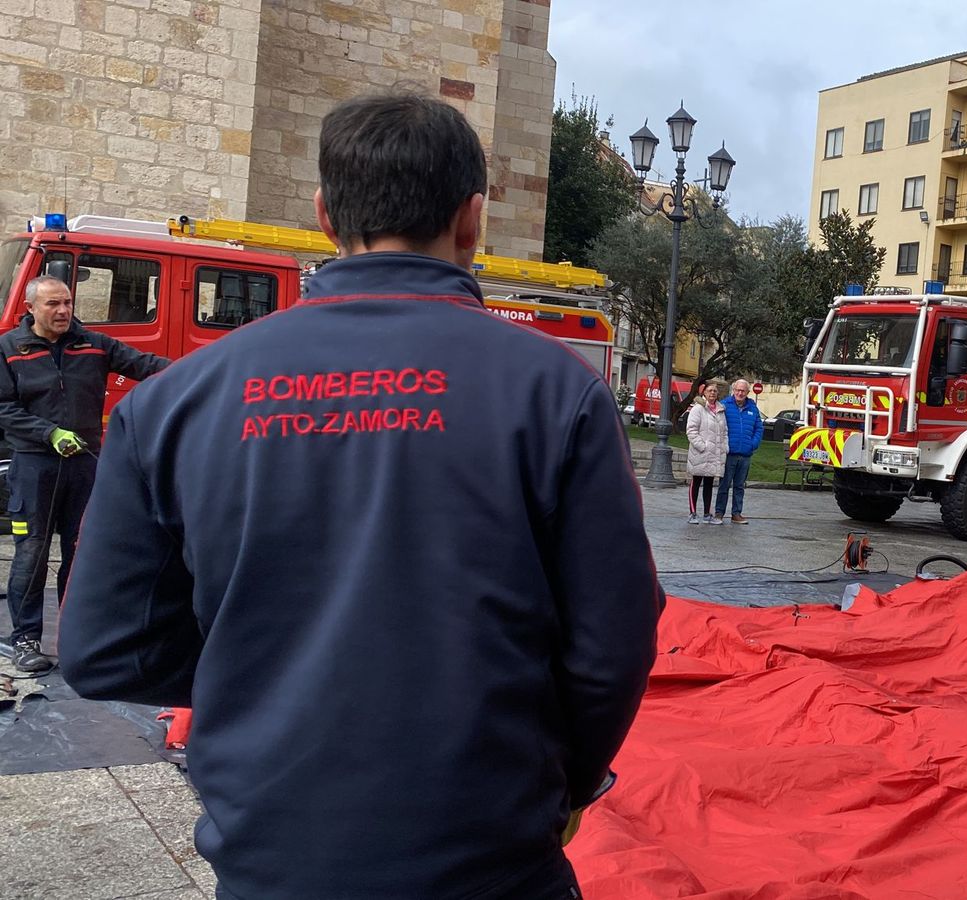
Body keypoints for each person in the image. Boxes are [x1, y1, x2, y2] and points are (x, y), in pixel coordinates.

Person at [59, 90, 663, 900]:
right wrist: (567, 781)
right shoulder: (557, 391)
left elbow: (103, 649)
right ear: (473, 220)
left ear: (323, 215)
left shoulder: (173, 402)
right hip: (492, 853)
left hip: (273, 853)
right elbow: (613, 641)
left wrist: (266, 667)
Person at [0, 275, 168, 674]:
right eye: (52, 304)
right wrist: (48, 433)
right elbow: (3, 408)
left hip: (84, 465)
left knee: (82, 554)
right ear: (30, 308)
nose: (62, 311)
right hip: (33, 467)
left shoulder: (93, 344)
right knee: (32, 553)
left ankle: (78, 640)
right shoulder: (9, 349)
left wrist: (208, 370)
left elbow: (148, 366)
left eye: (68, 303)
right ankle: (24, 640)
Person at [714, 378, 763, 524]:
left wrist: (752, 444)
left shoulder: (753, 408)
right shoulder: (725, 406)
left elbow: (759, 428)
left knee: (739, 486)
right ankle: (719, 513)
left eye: (743, 391)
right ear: (733, 390)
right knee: (724, 485)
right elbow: (719, 427)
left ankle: (736, 514)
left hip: (746, 454)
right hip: (729, 453)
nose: (740, 393)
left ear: (748, 392)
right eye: (737, 390)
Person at [685, 381, 728, 524]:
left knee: (709, 483)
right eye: (710, 390)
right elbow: (691, 431)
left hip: (715, 454)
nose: (712, 393)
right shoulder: (698, 409)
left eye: (715, 391)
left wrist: (724, 446)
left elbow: (724, 431)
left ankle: (707, 514)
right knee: (696, 482)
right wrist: (702, 446)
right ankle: (692, 513)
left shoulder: (721, 410)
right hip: (700, 453)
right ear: (704, 392)